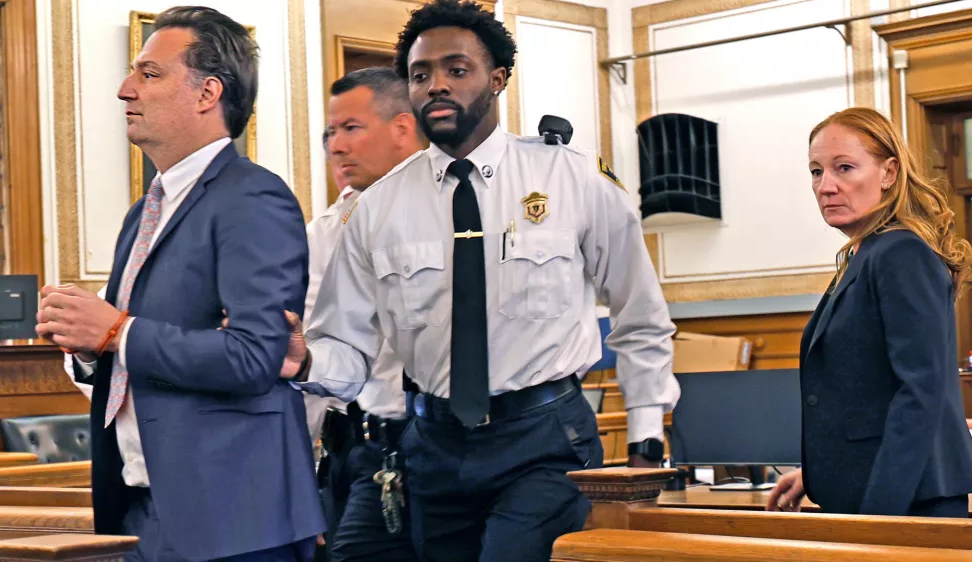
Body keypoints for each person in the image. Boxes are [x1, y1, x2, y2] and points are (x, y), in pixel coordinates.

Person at [295, 1, 679, 560]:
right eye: (420, 75)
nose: (436, 87)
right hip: (434, 448)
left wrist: (647, 433)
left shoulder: (570, 178)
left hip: (544, 440)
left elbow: (639, 314)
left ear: (497, 79)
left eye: (457, 70)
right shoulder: (376, 211)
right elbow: (348, 350)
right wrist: (304, 362)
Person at [36, 7, 324, 560]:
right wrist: (87, 344)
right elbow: (126, 349)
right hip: (142, 504)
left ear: (206, 93)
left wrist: (118, 331)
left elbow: (253, 358)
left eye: (149, 74)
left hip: (232, 514)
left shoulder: (252, 198)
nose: (125, 90)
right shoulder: (143, 212)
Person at [767, 107, 972, 517]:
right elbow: (867, 392)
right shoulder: (866, 254)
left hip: (906, 501)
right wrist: (820, 471)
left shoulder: (902, 252)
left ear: (888, 172)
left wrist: (879, 517)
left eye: (844, 168)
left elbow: (919, 392)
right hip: (875, 491)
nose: (826, 186)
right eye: (816, 171)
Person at [302, 67, 423, 562]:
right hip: (363, 444)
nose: (335, 146)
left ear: (402, 128)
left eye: (351, 129)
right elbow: (311, 353)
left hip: (451, 440)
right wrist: (295, 482)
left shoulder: (461, 203)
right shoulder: (328, 229)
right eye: (329, 132)